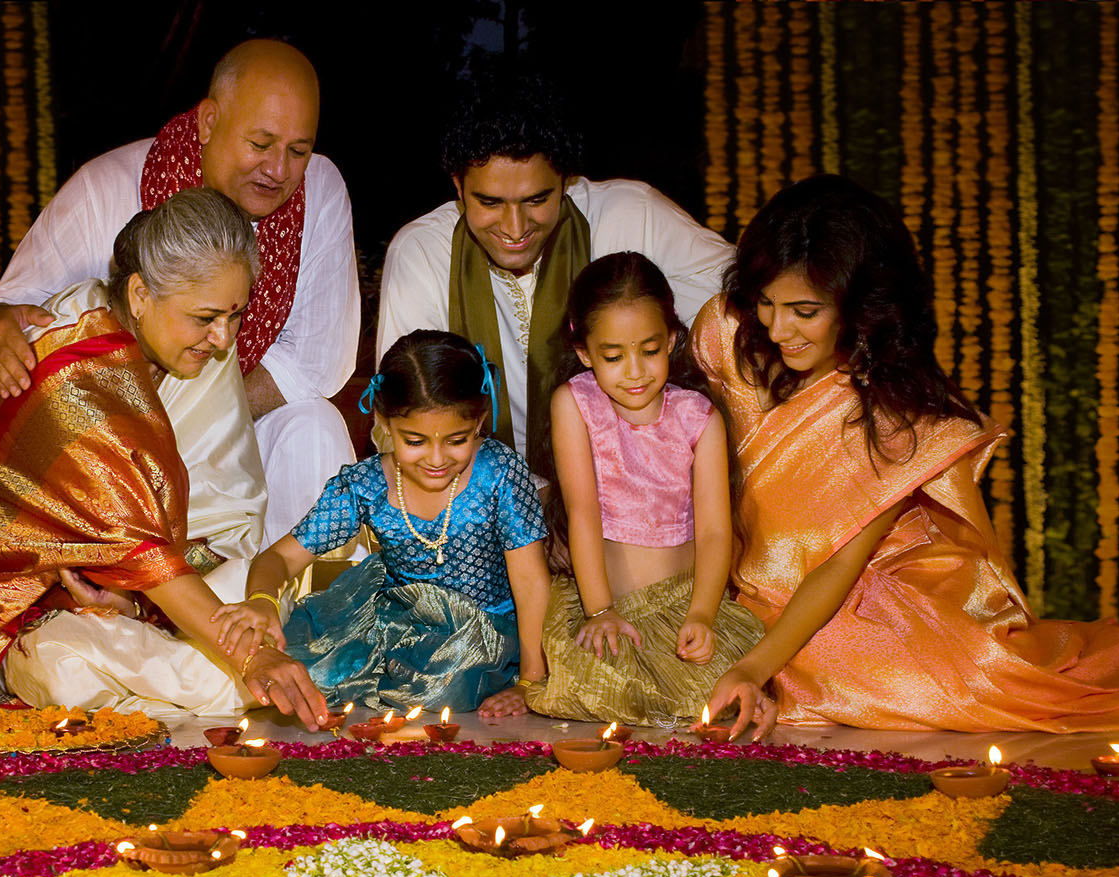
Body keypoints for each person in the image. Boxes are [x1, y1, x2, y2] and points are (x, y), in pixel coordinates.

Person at [694, 175, 1119, 739]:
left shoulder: (896, 409)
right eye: (767, 302)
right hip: (743, 586)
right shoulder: (725, 333)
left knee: (896, 679)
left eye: (805, 311)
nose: (777, 328)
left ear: (860, 303)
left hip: (859, 593)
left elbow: (836, 568)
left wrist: (755, 665)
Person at [0, 189, 329, 729]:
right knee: (67, 667)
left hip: (147, 595)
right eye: (207, 317)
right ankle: (240, 677)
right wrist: (251, 653)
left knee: (267, 586)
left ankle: (208, 675)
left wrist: (138, 605)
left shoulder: (193, 348)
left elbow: (227, 517)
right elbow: (140, 551)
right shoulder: (74, 374)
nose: (224, 338)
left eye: (235, 315)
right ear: (139, 295)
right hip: (41, 609)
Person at [0, 39, 358, 544]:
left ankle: (319, 613)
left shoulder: (319, 190)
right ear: (209, 122)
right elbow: (11, 318)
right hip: (110, 446)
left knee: (316, 427)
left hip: (244, 424)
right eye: (260, 145)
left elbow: (314, 363)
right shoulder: (103, 190)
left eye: (298, 150)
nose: (279, 171)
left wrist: (207, 422)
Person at [376, 74, 733, 487]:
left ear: (566, 181)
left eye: (536, 200)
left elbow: (743, 296)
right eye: (489, 202)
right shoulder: (423, 252)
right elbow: (402, 415)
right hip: (475, 498)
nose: (514, 228)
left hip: (631, 491)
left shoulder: (630, 216)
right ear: (458, 186)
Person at [215, 331, 552, 716]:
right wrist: (262, 600)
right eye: (415, 441)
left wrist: (530, 681)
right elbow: (279, 558)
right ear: (384, 423)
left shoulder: (500, 473)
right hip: (396, 621)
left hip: (488, 626)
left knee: (451, 680)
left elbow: (530, 581)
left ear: (479, 421)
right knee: (306, 670)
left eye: (457, 439)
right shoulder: (365, 485)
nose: (437, 458)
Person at [524, 252, 764, 726]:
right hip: (604, 602)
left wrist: (702, 614)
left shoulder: (700, 417)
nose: (634, 371)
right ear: (585, 352)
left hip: (683, 600)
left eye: (649, 351)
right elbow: (583, 512)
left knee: (712, 695)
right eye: (613, 357)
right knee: (593, 687)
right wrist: (601, 610)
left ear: (673, 340)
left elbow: (716, 532)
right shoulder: (575, 404)